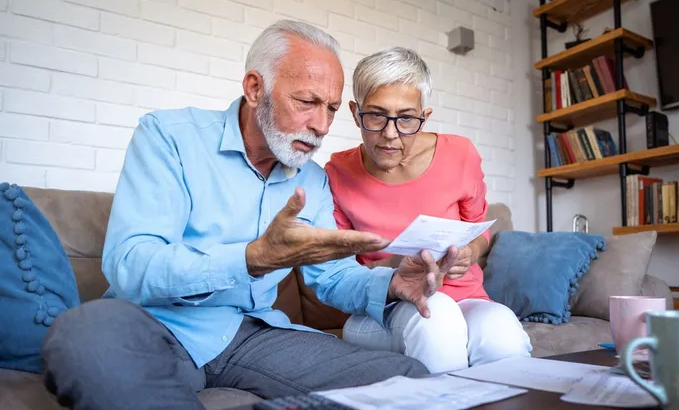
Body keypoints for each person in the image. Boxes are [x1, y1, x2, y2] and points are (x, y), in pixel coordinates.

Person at [40, 21, 462, 410]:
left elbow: (331, 279)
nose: (321, 125)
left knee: (411, 382)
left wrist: (392, 282)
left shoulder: (312, 180)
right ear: (255, 88)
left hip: (255, 336)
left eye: (332, 108)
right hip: (161, 326)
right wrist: (251, 258)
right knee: (84, 335)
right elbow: (132, 265)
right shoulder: (169, 138)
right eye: (306, 102)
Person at [324, 47, 533, 374]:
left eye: (406, 118)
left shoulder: (460, 155)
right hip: (383, 308)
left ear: (425, 116)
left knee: (503, 334)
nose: (390, 134)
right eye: (376, 115)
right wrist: (396, 265)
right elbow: (336, 274)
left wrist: (469, 251)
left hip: (466, 297)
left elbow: (480, 231)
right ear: (355, 112)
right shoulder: (337, 173)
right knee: (438, 319)